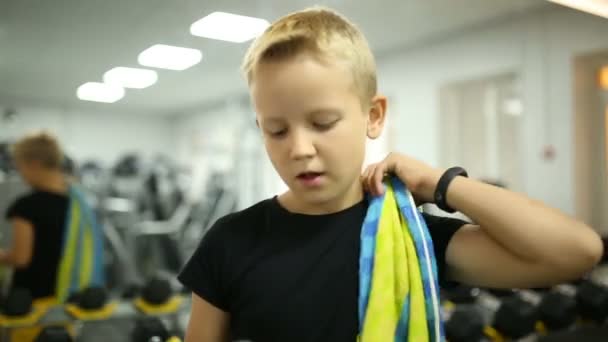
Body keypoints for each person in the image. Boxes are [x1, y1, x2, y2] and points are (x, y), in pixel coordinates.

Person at [178, 7, 603, 341]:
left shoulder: (408, 238)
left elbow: (577, 251)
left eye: (323, 123)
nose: (300, 149)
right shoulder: (230, 242)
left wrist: (442, 184)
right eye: (277, 130)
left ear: (374, 115)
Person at [3, 132, 104, 301]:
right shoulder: (78, 204)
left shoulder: (27, 205)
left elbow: (20, 258)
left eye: (19, 167)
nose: (21, 174)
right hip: (68, 297)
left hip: (31, 301)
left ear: (33, 164)